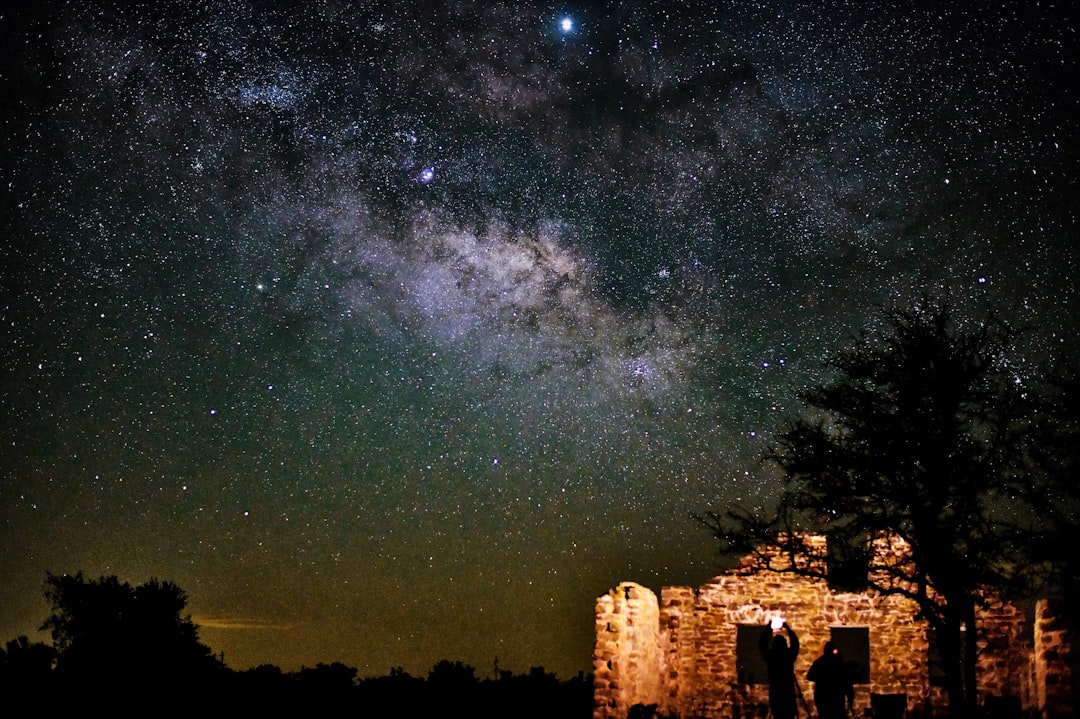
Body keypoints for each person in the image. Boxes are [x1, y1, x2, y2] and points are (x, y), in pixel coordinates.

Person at [759, 620, 800, 719]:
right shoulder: (788, 656)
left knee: (778, 714)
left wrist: (768, 628)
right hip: (787, 690)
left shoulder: (771, 657)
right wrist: (788, 629)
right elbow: (795, 644)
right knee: (789, 714)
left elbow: (762, 645)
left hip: (776, 690)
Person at [807, 641, 855, 719]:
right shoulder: (839, 663)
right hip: (836, 697)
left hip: (823, 696)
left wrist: (821, 679)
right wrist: (850, 699)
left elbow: (810, 676)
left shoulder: (819, 662)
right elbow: (847, 681)